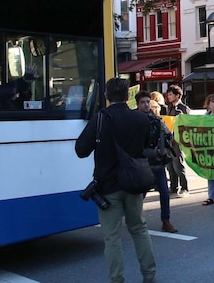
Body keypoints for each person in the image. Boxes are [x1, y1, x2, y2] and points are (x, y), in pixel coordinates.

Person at [75, 78, 157, 283]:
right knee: (139, 229)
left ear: (106, 96)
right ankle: (149, 275)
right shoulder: (140, 119)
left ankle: (117, 279)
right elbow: (145, 148)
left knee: (112, 237)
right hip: (134, 182)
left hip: (108, 186)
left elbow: (81, 150)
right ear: (128, 96)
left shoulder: (101, 118)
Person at [136, 91, 177, 234]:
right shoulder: (134, 120)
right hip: (141, 162)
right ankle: (135, 220)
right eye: (143, 102)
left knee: (164, 193)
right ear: (137, 104)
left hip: (157, 162)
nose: (146, 105)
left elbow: (167, 134)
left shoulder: (156, 119)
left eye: (148, 102)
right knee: (140, 194)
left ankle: (166, 220)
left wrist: (166, 141)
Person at [164, 85, 190, 197]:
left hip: (177, 141)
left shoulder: (183, 108)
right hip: (168, 140)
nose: (168, 97)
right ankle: (173, 187)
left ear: (178, 95)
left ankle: (184, 188)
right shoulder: (169, 108)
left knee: (178, 165)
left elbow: (187, 124)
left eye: (170, 94)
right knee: (169, 166)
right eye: (168, 94)